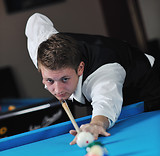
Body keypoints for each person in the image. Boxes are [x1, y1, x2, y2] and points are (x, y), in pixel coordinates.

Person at [25, 13, 160, 145]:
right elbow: (35, 20)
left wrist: (96, 123)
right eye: (50, 81)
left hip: (145, 86)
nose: (58, 89)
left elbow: (105, 102)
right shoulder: (42, 50)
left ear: (80, 68)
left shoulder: (103, 75)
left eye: (65, 79)